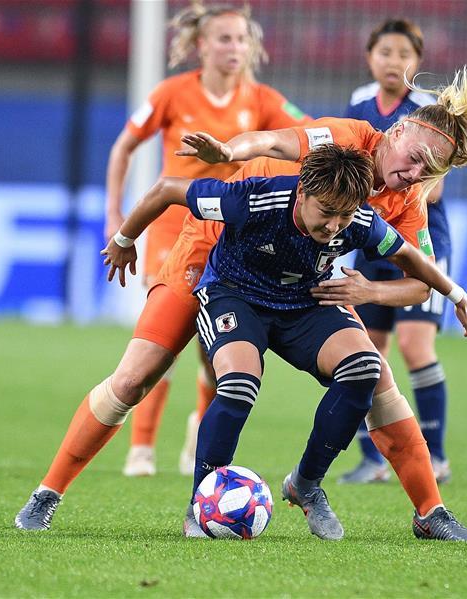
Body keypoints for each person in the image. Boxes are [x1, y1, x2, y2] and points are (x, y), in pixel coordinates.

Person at [13, 67, 467, 541]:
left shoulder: (406, 200)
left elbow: (419, 280)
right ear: (397, 132)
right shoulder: (346, 138)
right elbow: (274, 140)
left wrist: (371, 291)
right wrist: (228, 153)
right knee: (135, 377)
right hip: (220, 249)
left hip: (300, 282)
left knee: (374, 380)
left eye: (431, 171)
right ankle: (48, 492)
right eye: (416, 159)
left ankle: (426, 511)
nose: (417, 174)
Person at [101, 144, 467, 541]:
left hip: (304, 303)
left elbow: (411, 259)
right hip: (235, 295)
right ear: (302, 193)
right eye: (326, 212)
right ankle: (202, 505)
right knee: (238, 382)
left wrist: (457, 296)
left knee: (365, 367)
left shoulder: (361, 220)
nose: (335, 225)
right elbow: (166, 189)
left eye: (345, 216)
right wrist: (125, 238)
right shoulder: (253, 199)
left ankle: (306, 483)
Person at [104, 1, 308, 477]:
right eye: (224, 38)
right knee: (162, 337)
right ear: (202, 45)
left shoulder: (260, 98)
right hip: (172, 225)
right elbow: (124, 146)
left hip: (228, 231)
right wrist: (115, 213)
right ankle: (142, 448)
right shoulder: (172, 93)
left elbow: (307, 135)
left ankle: (199, 430)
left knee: (209, 343)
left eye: (241, 39)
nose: (234, 47)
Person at [335, 18, 456, 485]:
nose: (394, 61)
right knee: (370, 348)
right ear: (370, 56)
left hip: (419, 237)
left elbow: (434, 190)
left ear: (417, 62)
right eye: (385, 52)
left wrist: (396, 199)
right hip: (369, 235)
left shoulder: (428, 108)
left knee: (413, 343)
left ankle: (437, 453)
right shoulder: (359, 102)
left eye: (404, 54)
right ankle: (373, 459)